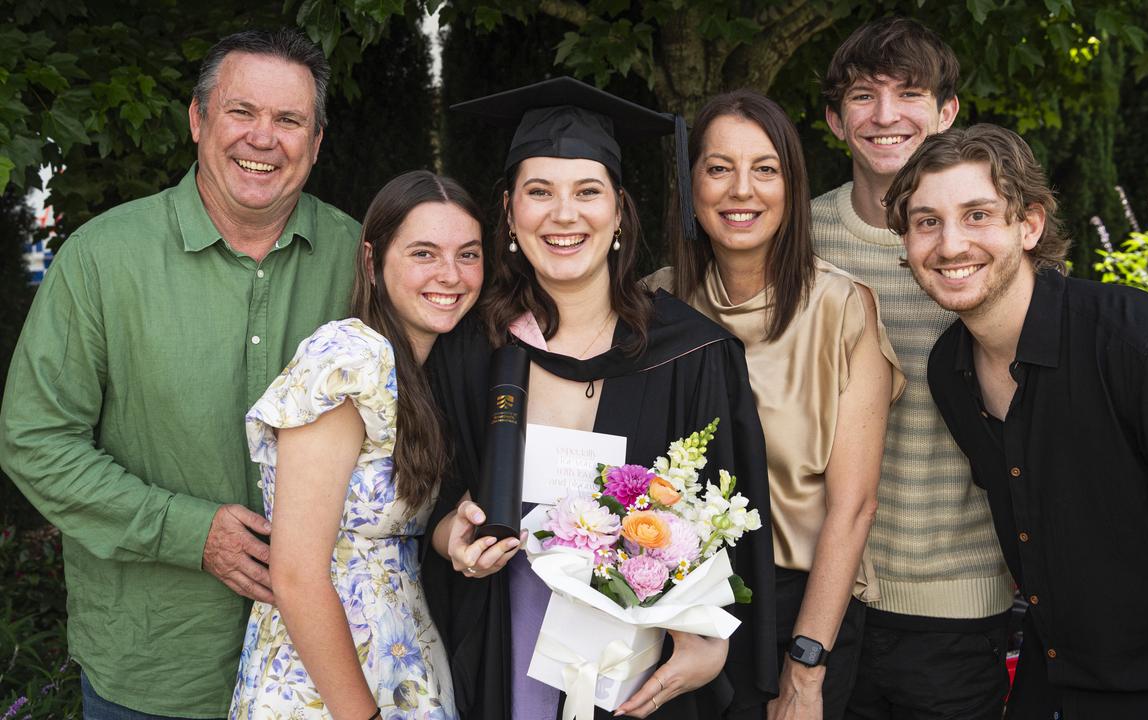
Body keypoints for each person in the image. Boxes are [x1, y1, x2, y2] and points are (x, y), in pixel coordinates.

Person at [0, 29, 361, 718]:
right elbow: (34, 440)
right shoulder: (102, 259)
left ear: (316, 143)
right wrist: (187, 532)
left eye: (289, 121)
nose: (264, 138)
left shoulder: (361, 259)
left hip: (325, 658)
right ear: (198, 121)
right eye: (241, 112)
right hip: (156, 664)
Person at [886, 122, 1148, 719]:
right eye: (927, 222)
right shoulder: (949, 368)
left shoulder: (1140, 345)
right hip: (1063, 685)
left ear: (1030, 225)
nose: (949, 245)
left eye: (977, 215)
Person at [421, 76, 777, 720]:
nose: (564, 214)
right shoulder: (467, 352)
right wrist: (452, 536)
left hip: (642, 679)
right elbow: (427, 500)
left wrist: (714, 646)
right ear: (507, 212)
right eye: (539, 193)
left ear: (619, 211)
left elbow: (734, 543)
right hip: (500, 654)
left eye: (588, 192)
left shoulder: (693, 356)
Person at [645, 90, 903, 720]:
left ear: (792, 185)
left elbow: (854, 505)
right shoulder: (650, 304)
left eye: (766, 169)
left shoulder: (843, 308)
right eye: (718, 168)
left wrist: (806, 668)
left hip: (800, 609)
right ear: (690, 184)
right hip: (666, 605)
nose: (742, 190)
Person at [810, 17, 1014, 718]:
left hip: (956, 605)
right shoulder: (796, 241)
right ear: (835, 120)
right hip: (819, 598)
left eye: (910, 94)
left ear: (947, 112)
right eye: (864, 96)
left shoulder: (987, 251)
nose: (886, 115)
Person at [228, 170, 480, 718]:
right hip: (323, 682)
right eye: (423, 253)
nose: (450, 274)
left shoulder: (425, 371)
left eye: (468, 254)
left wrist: (451, 534)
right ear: (372, 261)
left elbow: (392, 531)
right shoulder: (349, 359)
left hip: (401, 661)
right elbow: (295, 574)